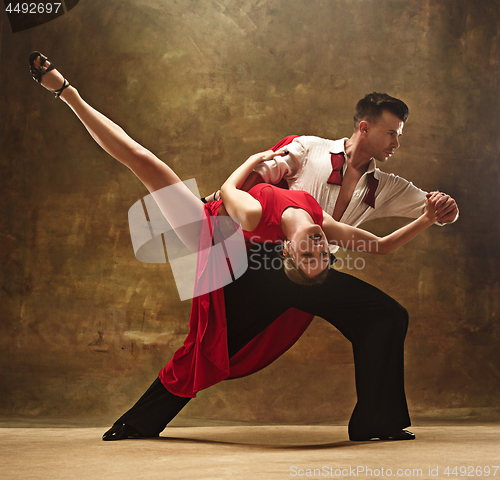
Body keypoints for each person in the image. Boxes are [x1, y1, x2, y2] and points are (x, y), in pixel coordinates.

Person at [28, 53, 448, 443]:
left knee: (385, 316)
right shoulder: (311, 162)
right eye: (391, 132)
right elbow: (262, 174)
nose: (320, 249)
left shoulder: (327, 222)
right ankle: (68, 92)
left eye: (315, 254)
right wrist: (260, 165)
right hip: (229, 244)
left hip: (263, 256)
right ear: (364, 126)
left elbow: (379, 245)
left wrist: (431, 216)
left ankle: (377, 421)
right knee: (145, 164)